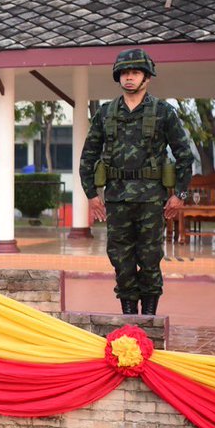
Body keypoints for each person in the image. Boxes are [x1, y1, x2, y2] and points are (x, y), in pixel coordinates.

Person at [78, 48, 194, 316]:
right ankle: (129, 316)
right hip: (117, 199)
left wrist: (179, 194)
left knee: (150, 258)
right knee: (121, 259)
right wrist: (91, 195)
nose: (129, 78)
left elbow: (184, 155)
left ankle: (149, 318)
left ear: (147, 78)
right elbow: (89, 155)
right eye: (125, 73)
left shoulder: (164, 112)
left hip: (152, 200)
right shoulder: (105, 113)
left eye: (135, 72)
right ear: (119, 77)